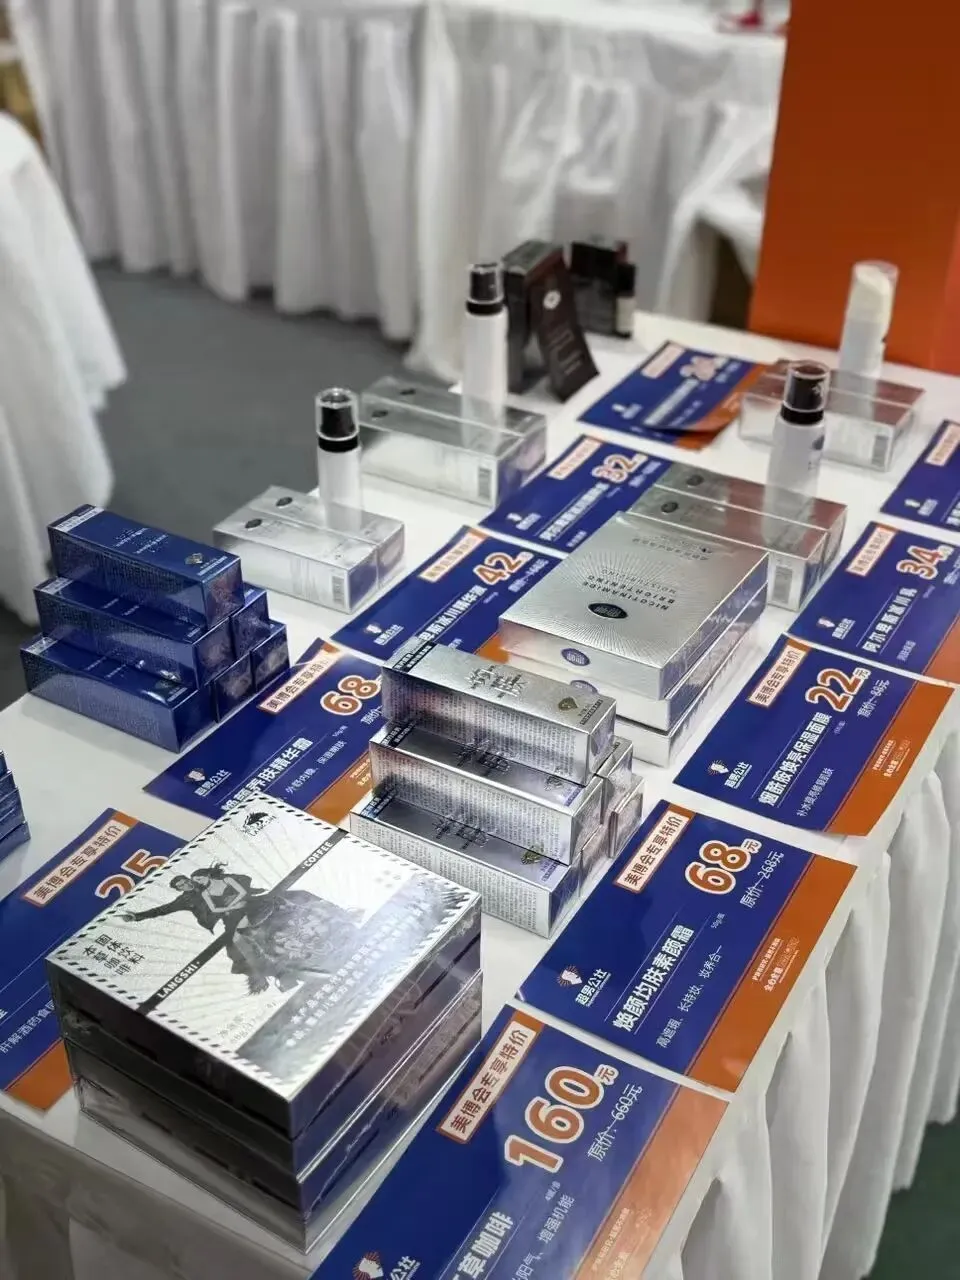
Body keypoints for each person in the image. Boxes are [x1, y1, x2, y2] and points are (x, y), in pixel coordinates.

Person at [122, 862, 364, 995]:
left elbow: (242, 888)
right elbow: (166, 909)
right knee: (236, 945)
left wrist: (237, 899)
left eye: (191, 880)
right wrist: (137, 916)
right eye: (183, 885)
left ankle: (343, 915)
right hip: (232, 917)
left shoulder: (223, 879)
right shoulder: (188, 899)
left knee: (298, 894)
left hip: (252, 902)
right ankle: (280, 975)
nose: (189, 884)